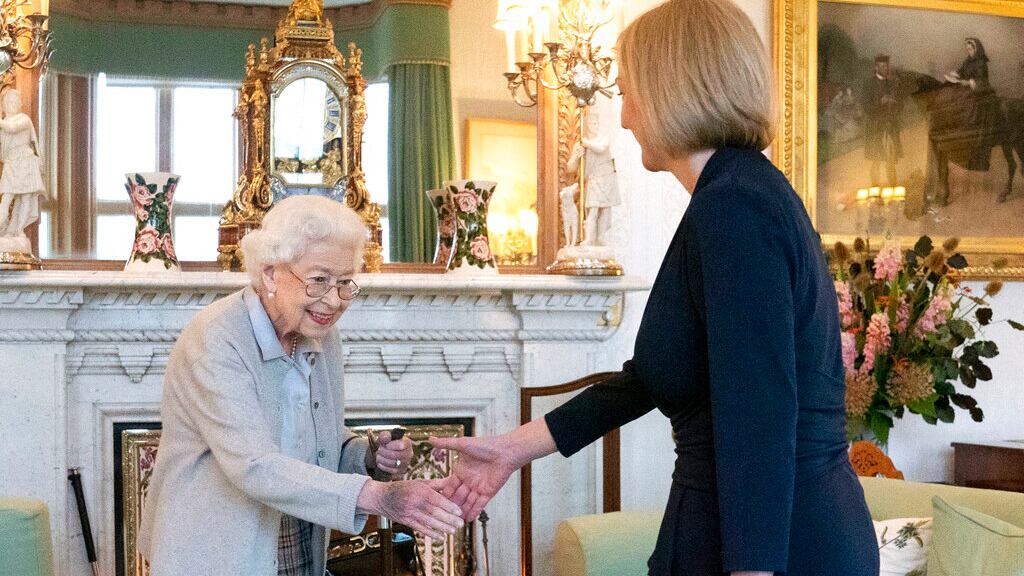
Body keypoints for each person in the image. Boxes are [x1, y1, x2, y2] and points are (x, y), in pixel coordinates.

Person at [432, 1, 878, 575]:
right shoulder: (732, 195)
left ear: (673, 88)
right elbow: (651, 377)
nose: (625, 118)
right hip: (741, 528)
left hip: (781, 544)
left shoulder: (735, 206)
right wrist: (510, 450)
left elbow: (759, 410)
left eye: (629, 91)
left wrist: (752, 570)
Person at [139, 195, 463, 576]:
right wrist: (379, 497)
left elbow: (315, 441)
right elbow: (254, 465)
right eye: (318, 280)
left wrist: (369, 457)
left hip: (299, 541)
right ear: (270, 273)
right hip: (217, 551)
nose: (333, 300)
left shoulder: (321, 336)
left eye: (344, 283)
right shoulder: (215, 339)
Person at [945, 37, 1002, 173]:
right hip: (969, 91)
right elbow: (962, 71)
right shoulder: (968, 61)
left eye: (971, 49)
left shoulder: (981, 62)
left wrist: (968, 83)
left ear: (976, 49)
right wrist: (955, 75)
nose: (969, 51)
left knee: (973, 109)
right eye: (967, 49)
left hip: (982, 92)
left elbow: (981, 80)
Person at [567, 108, 621, 247]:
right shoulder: (580, 144)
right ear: (586, 125)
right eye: (591, 124)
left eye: (596, 123)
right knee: (593, 210)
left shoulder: (602, 139)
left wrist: (587, 143)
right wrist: (576, 157)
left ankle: (601, 237)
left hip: (607, 178)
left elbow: (601, 148)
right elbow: (571, 168)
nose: (594, 126)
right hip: (593, 180)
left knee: (606, 211)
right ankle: (589, 239)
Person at [0, 89, 46, 238]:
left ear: (19, 104)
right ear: (4, 104)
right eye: (9, 102)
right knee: (6, 197)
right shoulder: (3, 123)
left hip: (25, 161)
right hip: (11, 162)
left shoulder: (23, 119)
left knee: (26, 197)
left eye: (14, 102)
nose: (11, 104)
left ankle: (18, 230)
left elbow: (12, 128)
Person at [862, 55, 902, 186]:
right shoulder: (868, 84)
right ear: (876, 67)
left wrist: (895, 103)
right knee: (876, 160)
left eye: (887, 66)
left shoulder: (891, 83)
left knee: (891, 159)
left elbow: (899, 107)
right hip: (875, 128)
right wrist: (881, 102)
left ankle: (893, 188)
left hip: (889, 127)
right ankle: (875, 190)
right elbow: (866, 107)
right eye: (883, 66)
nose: (886, 68)